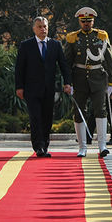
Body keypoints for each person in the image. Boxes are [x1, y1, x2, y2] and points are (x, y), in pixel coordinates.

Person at [15, 17, 71, 157]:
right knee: (35, 117)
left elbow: (63, 65)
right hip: (31, 89)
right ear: (34, 29)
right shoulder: (26, 45)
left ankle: (45, 145)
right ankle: (38, 146)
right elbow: (19, 68)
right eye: (39, 27)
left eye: (45, 26)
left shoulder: (55, 45)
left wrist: (67, 83)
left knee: (47, 118)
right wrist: (19, 87)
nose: (43, 29)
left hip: (49, 89)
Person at [64, 7, 112, 157]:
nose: (86, 24)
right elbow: (67, 62)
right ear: (79, 22)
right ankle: (82, 147)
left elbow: (109, 60)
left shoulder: (101, 36)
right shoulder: (73, 38)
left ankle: (102, 146)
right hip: (79, 79)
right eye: (83, 21)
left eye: (89, 21)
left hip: (98, 78)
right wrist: (68, 83)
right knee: (79, 112)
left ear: (93, 21)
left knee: (100, 110)